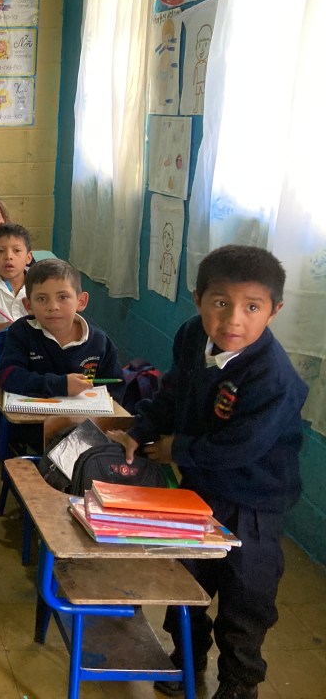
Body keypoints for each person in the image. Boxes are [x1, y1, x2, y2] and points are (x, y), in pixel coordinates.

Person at [109, 246, 307, 699]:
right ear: (198, 299)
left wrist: (178, 448)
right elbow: (172, 392)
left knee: (246, 597)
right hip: (199, 489)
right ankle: (187, 658)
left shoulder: (273, 378)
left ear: (274, 312)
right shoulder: (190, 336)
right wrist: (140, 431)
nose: (233, 320)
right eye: (220, 303)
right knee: (186, 581)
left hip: (254, 505)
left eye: (252, 307)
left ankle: (239, 682)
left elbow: (243, 445)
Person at [0, 258, 123, 399]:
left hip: (84, 412)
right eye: (41, 299)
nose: (53, 307)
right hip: (34, 412)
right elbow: (8, 376)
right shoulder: (21, 332)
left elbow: (115, 388)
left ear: (81, 301)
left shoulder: (100, 342)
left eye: (63, 297)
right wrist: (61, 385)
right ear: (29, 305)